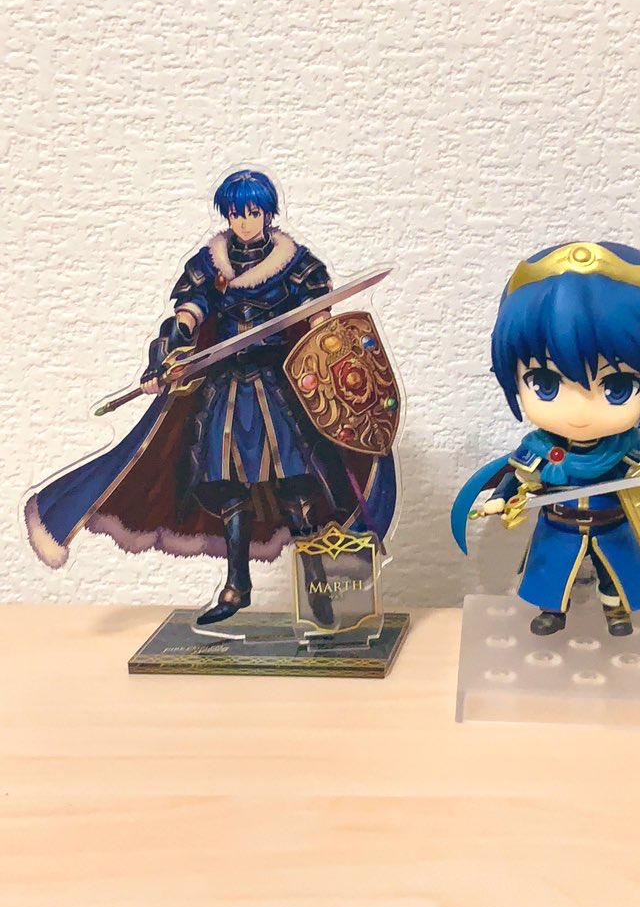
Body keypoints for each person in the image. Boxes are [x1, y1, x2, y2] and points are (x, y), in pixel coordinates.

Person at [26, 169, 397, 626]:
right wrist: (165, 358)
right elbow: (189, 313)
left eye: (253, 212)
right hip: (226, 389)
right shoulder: (210, 265)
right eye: (237, 213)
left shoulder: (296, 264)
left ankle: (319, 590)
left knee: (298, 489)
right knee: (225, 487)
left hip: (278, 388)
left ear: (268, 213)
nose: (245, 222)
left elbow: (321, 323)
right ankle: (237, 587)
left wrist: (326, 339)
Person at [451, 241, 640, 636]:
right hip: (558, 526)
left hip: (614, 526)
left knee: (617, 575)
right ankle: (552, 613)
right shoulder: (541, 449)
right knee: (552, 573)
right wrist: (501, 498)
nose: (579, 411)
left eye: (616, 387)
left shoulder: (628, 449)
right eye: (545, 383)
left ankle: (616, 613)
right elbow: (518, 477)